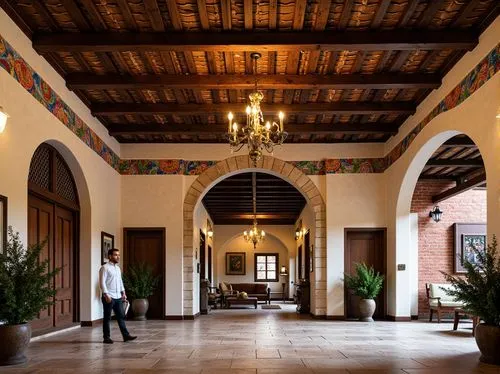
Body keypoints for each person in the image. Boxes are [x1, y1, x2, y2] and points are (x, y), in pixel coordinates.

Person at [99, 248, 137, 344]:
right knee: (107, 318)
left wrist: (123, 292)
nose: (118, 257)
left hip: (118, 296)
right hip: (109, 297)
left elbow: (120, 281)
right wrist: (106, 294)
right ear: (110, 256)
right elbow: (102, 282)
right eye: (116, 255)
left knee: (121, 317)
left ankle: (126, 336)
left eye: (118, 255)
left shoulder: (118, 268)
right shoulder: (104, 268)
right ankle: (106, 338)